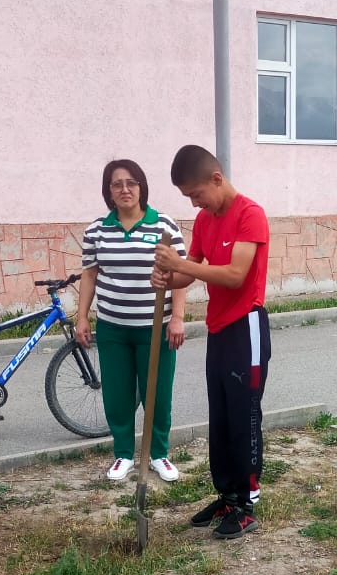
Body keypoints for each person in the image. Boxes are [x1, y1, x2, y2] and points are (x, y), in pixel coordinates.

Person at [152, 145, 271, 540]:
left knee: (244, 415)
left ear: (217, 179)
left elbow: (236, 275)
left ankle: (247, 504)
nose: (194, 203)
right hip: (219, 328)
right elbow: (191, 274)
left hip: (246, 326)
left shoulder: (250, 215)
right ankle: (227, 495)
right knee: (219, 415)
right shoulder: (205, 220)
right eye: (188, 197)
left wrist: (180, 264)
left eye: (196, 194)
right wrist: (167, 277)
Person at [76, 159, 187, 483]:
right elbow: (90, 274)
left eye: (131, 183)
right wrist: (82, 316)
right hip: (113, 328)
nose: (125, 189)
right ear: (108, 191)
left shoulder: (164, 226)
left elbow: (180, 273)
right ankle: (123, 454)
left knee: (158, 395)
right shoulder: (97, 230)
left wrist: (178, 318)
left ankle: (158, 454)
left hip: (155, 328)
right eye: (117, 184)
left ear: (141, 187)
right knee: (117, 395)